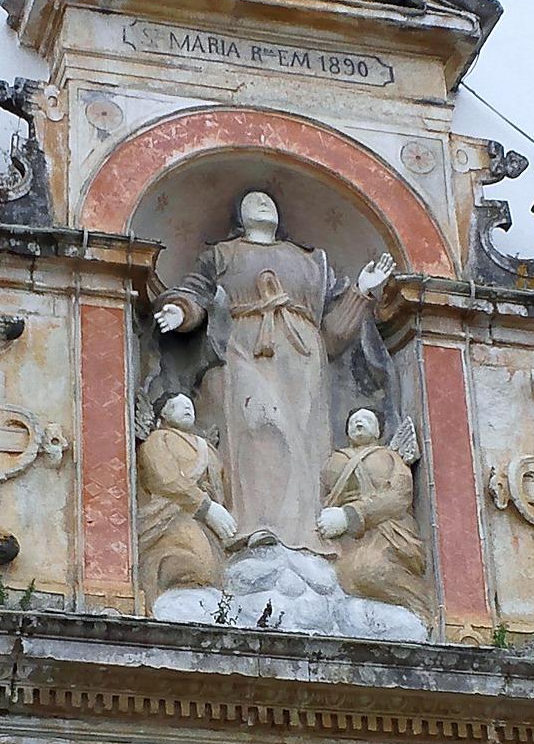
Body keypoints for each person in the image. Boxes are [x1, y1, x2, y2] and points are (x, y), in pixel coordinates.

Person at [154, 190, 394, 554]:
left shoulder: (313, 261)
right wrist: (180, 310)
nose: (263, 202)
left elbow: (333, 335)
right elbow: (196, 292)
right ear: (240, 216)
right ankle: (255, 524)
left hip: (303, 356)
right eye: (253, 200)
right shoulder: (222, 254)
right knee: (257, 423)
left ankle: (303, 532)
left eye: (268, 199)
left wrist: (361, 291)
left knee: (303, 438)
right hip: (246, 346)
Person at [317, 408, 428, 612]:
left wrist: (350, 516)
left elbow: (399, 495)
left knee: (370, 570)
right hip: (340, 535)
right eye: (353, 421)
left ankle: (419, 606)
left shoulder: (390, 457)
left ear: (378, 431)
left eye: (366, 419)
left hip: (387, 530)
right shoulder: (334, 460)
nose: (358, 422)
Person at [136, 393, 236, 600]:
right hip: (172, 513)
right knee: (197, 562)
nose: (188, 409)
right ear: (164, 413)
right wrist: (205, 507)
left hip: (209, 521)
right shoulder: (159, 439)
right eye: (179, 406)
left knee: (220, 570)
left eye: (190, 405)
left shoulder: (206, 447)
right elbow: (164, 479)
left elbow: (221, 483)